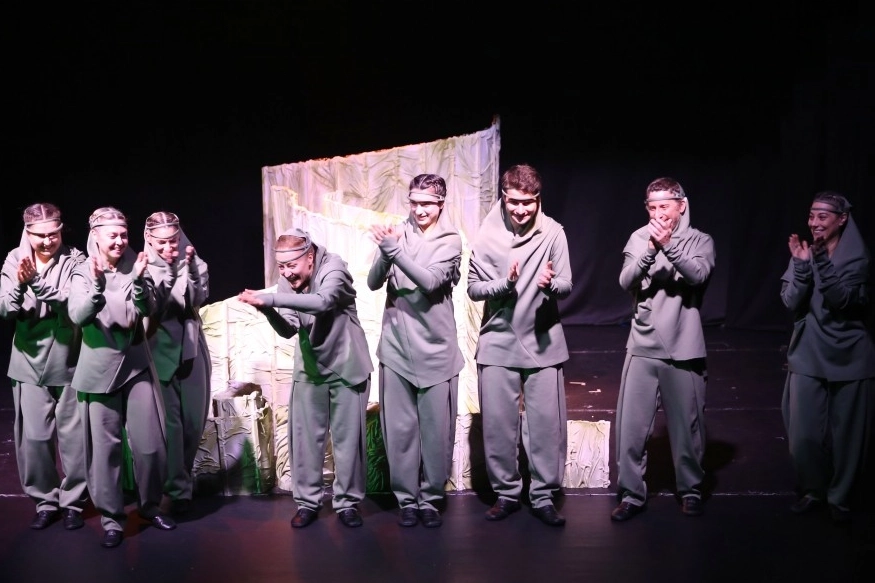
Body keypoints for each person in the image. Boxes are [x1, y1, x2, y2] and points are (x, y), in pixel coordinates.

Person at [237, 228, 373, 529]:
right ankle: (308, 502)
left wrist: (270, 298)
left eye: (291, 265)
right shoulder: (287, 282)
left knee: (348, 442)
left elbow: (323, 302)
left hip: (347, 366)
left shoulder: (334, 269)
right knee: (305, 441)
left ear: (309, 257)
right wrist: (268, 310)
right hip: (311, 368)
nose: (286, 273)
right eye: (281, 267)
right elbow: (288, 329)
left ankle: (347, 503)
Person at [467, 163, 573, 527]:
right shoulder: (486, 236)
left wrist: (551, 284)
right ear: (504, 197)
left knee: (545, 427)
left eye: (528, 202)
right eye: (514, 201)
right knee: (499, 427)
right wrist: (504, 284)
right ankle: (507, 494)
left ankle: (543, 496)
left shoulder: (553, 232)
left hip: (543, 342)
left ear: (538, 199)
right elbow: (473, 288)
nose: (521, 209)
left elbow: (566, 284)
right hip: (498, 342)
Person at [68, 206, 176, 548]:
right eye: (112, 235)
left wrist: (140, 282)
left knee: (151, 445)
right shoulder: (82, 271)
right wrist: (98, 287)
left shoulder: (137, 265)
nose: (119, 241)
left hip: (135, 364)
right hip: (98, 370)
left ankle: (150, 506)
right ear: (96, 236)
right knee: (105, 451)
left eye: (123, 234)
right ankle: (112, 519)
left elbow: (148, 309)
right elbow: (78, 315)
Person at [611, 177, 715, 522]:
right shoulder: (639, 238)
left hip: (683, 346)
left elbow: (698, 276)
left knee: (687, 428)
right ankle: (631, 493)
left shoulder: (700, 240)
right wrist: (651, 250)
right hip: (642, 345)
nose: (658, 213)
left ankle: (690, 490)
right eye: (652, 207)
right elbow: (626, 281)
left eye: (665, 206)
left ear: (681, 206)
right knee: (631, 428)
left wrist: (669, 246)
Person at [367, 174, 464, 528]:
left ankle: (431, 499)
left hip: (436, 349)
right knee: (400, 431)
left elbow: (431, 282)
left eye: (427, 204)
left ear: (441, 204)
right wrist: (385, 252)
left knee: (436, 433)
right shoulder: (398, 233)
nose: (419, 210)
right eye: (414, 203)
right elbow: (373, 282)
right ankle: (407, 500)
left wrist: (394, 251)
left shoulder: (450, 240)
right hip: (397, 347)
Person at [780, 191, 875, 524]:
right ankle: (813, 490)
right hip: (808, 351)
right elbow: (791, 302)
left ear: (842, 219)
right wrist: (801, 266)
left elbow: (842, 301)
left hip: (850, 355)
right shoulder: (805, 253)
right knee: (803, 434)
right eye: (812, 216)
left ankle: (840, 496)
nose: (815, 223)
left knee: (848, 435)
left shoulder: (856, 258)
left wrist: (820, 262)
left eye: (823, 216)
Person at [0, 203, 89, 531]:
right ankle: (45, 502)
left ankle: (74, 503)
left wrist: (36, 283)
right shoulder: (14, 259)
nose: (48, 241)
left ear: (61, 229)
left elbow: (71, 303)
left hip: (69, 360)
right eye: (40, 235)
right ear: (27, 232)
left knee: (75, 440)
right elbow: (5, 309)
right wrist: (21, 284)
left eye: (53, 234)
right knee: (35, 439)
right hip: (28, 362)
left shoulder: (76, 260)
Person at [143, 211, 211, 516]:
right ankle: (176, 489)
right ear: (148, 238)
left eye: (172, 240)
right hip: (158, 348)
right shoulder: (141, 267)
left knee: (193, 421)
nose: (168, 247)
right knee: (169, 426)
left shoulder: (193, 263)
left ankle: (182, 478)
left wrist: (191, 269)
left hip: (190, 348)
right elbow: (151, 305)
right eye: (161, 242)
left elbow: (198, 297)